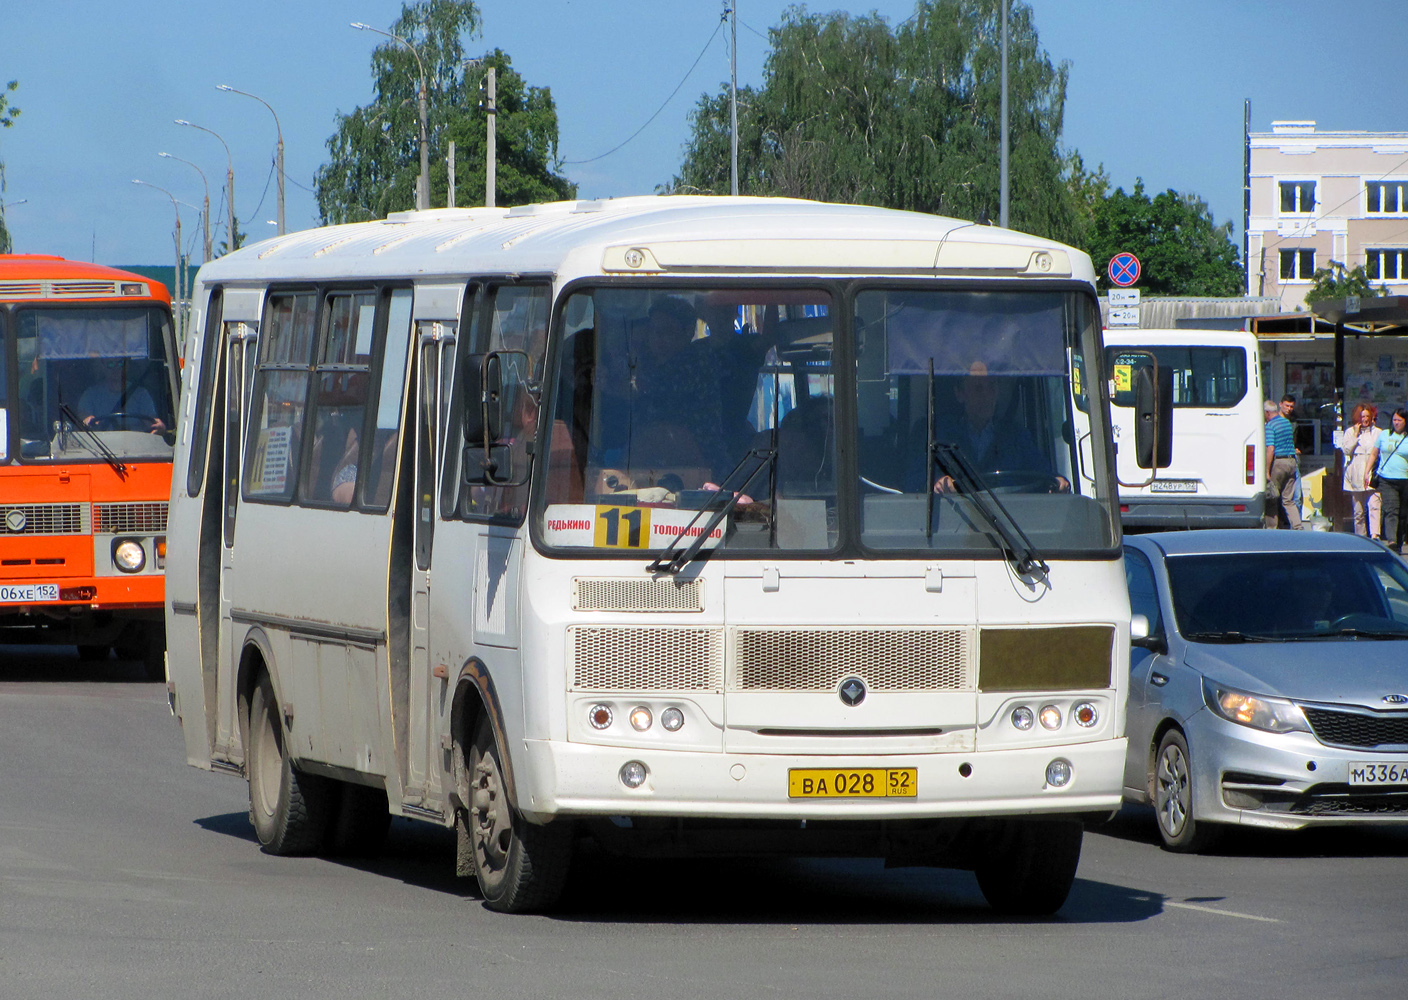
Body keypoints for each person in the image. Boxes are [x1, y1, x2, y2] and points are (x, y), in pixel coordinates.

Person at [933, 361, 1069, 494]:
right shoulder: (939, 435)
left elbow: (1044, 475)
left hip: (1012, 515)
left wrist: (1058, 481)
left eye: (991, 386)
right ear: (959, 393)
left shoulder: (1016, 437)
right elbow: (916, 479)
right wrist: (939, 482)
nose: (986, 396)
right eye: (978, 388)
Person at [77, 358, 165, 434]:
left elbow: (152, 422)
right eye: (110, 364)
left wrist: (159, 427)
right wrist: (87, 420)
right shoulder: (91, 394)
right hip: (102, 447)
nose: (116, 368)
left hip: (136, 446)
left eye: (121, 363)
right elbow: (84, 418)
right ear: (103, 366)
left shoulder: (141, 394)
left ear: (127, 365)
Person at [1369, 407, 1408, 554]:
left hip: (1405, 480)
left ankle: (1398, 541)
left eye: (1399, 420)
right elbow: (1374, 453)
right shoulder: (1385, 434)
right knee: (1391, 510)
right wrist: (1367, 471)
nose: (1396, 423)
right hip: (1386, 479)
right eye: (1394, 420)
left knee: (1403, 514)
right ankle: (1391, 541)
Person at [1339, 403, 1381, 539]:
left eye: (1368, 416)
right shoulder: (1350, 432)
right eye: (1362, 416)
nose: (1365, 419)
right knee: (1358, 511)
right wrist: (1356, 435)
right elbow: (1346, 450)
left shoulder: (1377, 432)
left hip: (1372, 470)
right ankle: (1361, 536)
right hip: (1356, 470)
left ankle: (1375, 535)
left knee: (1374, 504)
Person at [1263, 394, 1300, 529]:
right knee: (1288, 500)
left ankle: (1272, 529)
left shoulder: (1270, 426)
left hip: (1279, 463)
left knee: (1271, 498)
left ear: (1267, 413)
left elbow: (1271, 449)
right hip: (1291, 462)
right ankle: (1298, 527)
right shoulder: (1286, 423)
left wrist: (1267, 471)